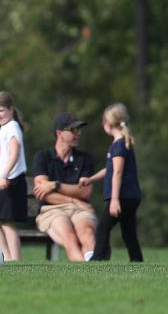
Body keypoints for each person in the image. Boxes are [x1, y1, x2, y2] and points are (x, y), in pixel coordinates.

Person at [79, 103, 143, 262]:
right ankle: (137, 260)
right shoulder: (124, 144)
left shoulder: (119, 145)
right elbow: (110, 169)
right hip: (132, 196)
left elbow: (118, 172)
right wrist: (91, 179)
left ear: (108, 124)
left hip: (121, 196)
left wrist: (114, 200)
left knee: (103, 228)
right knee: (128, 233)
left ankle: (98, 259)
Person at [31, 112, 97, 262]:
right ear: (60, 133)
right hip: (51, 210)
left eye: (79, 130)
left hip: (81, 208)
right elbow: (44, 194)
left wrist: (55, 185)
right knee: (70, 237)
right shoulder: (42, 157)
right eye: (73, 130)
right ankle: (86, 276)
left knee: (87, 233)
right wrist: (74, 201)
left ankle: (95, 272)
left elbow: (85, 191)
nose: (78, 134)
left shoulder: (85, 159)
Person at [0, 91, 28, 261]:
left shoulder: (12, 127)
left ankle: (14, 259)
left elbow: (14, 154)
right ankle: (7, 257)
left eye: (0, 110)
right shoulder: (5, 128)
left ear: (11, 109)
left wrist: (4, 176)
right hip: (5, 180)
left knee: (7, 222)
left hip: (11, 180)